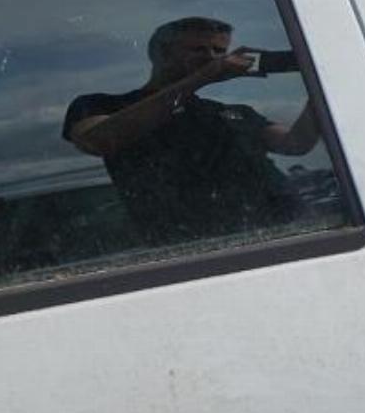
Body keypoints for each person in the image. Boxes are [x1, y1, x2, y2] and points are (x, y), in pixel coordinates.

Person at [63, 16, 320, 245]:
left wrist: (321, 84)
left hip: (293, 230)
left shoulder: (232, 112)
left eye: (219, 51)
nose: (211, 57)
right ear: (162, 53)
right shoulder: (102, 105)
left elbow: (296, 143)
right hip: (198, 249)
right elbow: (98, 140)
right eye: (198, 49)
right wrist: (203, 77)